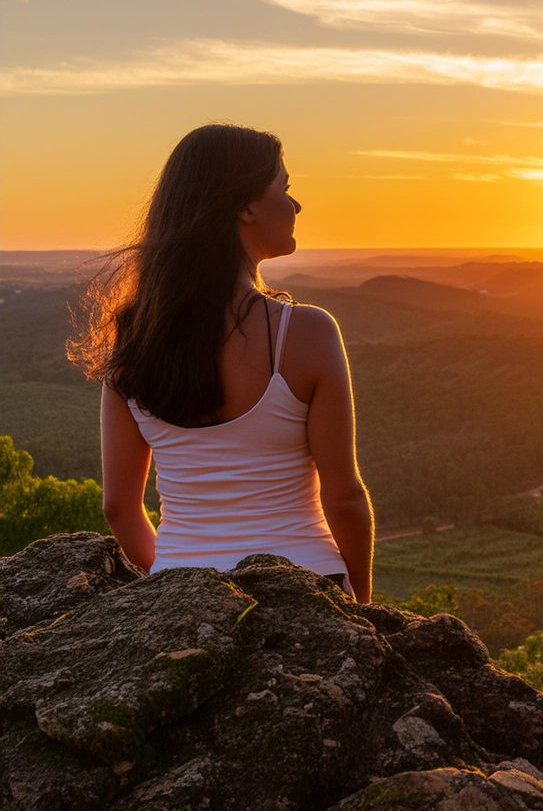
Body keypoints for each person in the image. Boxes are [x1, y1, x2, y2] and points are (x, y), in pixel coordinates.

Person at [67, 123, 374, 603]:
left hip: (181, 592)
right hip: (308, 587)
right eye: (285, 189)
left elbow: (120, 509)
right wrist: (362, 609)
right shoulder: (306, 333)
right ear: (246, 206)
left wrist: (175, 582)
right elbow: (345, 499)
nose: (296, 205)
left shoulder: (134, 342)